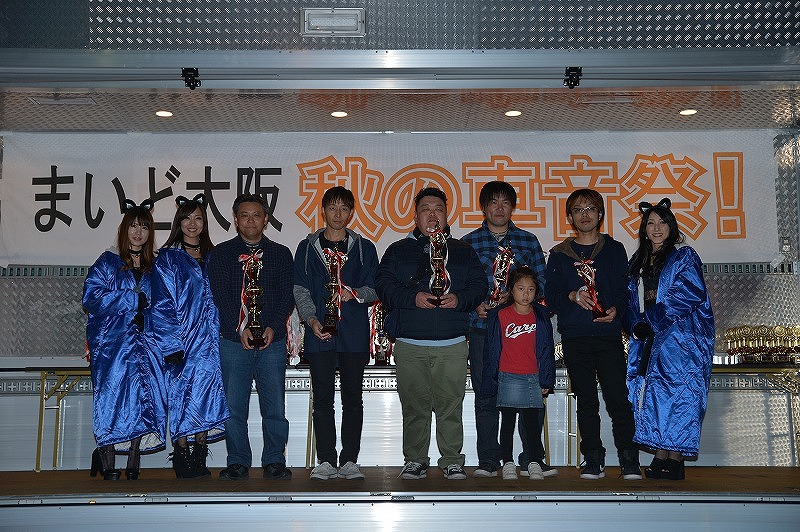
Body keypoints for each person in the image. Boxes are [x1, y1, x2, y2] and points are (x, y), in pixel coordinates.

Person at [375, 187, 487, 480]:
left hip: (452, 343)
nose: (432, 214)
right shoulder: (398, 250)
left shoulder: (462, 251)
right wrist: (412, 298)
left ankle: (452, 460)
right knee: (414, 408)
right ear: (415, 216)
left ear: (447, 215)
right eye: (426, 209)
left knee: (451, 406)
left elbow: (479, 285)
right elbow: (383, 285)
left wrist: (459, 299)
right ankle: (415, 459)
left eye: (438, 209)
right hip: (410, 343)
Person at [544, 188, 642, 480]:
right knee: (585, 400)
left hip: (608, 335)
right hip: (575, 336)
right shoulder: (559, 255)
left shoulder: (614, 249)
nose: (584, 215)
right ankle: (593, 458)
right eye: (578, 210)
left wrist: (616, 310)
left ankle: (629, 460)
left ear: (600, 214)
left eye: (590, 209)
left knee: (618, 399)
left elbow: (624, 291)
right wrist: (572, 295)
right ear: (570, 217)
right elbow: (550, 296)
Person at [461, 180, 549, 478]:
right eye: (493, 202)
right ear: (483, 207)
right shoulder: (468, 243)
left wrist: (514, 302)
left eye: (505, 202)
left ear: (512, 207)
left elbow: (542, 284)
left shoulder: (528, 241)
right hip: (482, 328)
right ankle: (489, 459)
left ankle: (531, 458)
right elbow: (458, 287)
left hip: (521, 334)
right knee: (486, 394)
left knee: (528, 395)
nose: (499, 208)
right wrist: (474, 304)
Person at [293, 186, 379, 480]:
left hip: (353, 334)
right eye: (332, 208)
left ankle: (350, 460)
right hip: (320, 334)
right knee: (323, 400)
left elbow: (375, 288)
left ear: (351, 212)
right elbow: (300, 289)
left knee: (353, 399)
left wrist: (354, 293)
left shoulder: (365, 248)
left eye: (344, 209)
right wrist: (311, 320)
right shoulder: (307, 248)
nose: (338, 214)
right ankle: (326, 460)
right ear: (323, 211)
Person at [208, 193, 295, 481]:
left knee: (275, 407)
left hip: (273, 342)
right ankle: (238, 461)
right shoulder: (221, 254)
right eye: (244, 215)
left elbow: (287, 295)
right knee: (234, 408)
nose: (250, 221)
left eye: (256, 215)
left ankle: (274, 460)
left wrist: (273, 326)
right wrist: (238, 327)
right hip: (234, 342)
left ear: (266, 219)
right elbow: (220, 296)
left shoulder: (281, 254)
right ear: (235, 220)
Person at [625, 198, 714, 480]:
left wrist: (650, 321)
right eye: (650, 223)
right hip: (650, 339)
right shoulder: (637, 261)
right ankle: (661, 453)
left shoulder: (684, 256)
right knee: (655, 395)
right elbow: (629, 300)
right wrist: (635, 324)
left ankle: (675, 458)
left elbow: (689, 293)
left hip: (680, 339)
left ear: (671, 227)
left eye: (662, 222)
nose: (656, 228)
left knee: (681, 394)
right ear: (644, 229)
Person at [83, 200, 166, 480]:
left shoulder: (155, 266)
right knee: (111, 398)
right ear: (124, 229)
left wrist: (150, 319)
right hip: (112, 346)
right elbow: (91, 298)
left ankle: (133, 462)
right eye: (133, 226)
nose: (138, 232)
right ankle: (107, 460)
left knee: (143, 398)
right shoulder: (108, 261)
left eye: (144, 227)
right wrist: (131, 299)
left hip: (146, 345)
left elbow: (164, 305)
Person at [151, 194, 229, 479]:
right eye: (186, 218)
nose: (192, 224)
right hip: (183, 343)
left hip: (213, 343)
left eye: (198, 218)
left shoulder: (215, 256)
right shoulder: (168, 259)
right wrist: (171, 344)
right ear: (178, 222)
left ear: (205, 222)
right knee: (182, 397)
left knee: (207, 396)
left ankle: (200, 454)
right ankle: (181, 454)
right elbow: (161, 304)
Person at [481, 266, 555, 480]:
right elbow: (491, 350)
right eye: (521, 289)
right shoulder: (499, 315)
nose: (526, 294)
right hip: (507, 376)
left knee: (532, 424)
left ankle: (533, 462)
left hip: (533, 377)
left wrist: (546, 379)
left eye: (531, 289)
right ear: (511, 290)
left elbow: (547, 349)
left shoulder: (541, 315)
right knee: (507, 423)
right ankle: (508, 463)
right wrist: (492, 378)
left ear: (536, 291)